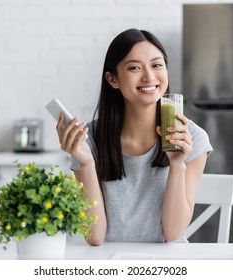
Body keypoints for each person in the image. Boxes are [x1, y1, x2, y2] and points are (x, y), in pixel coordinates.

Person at [56, 28, 213, 246]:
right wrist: (86, 163)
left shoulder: (192, 138)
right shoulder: (88, 140)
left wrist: (177, 165)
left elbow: (173, 233)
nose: (149, 76)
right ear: (112, 80)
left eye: (157, 65)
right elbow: (95, 236)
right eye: (135, 68)